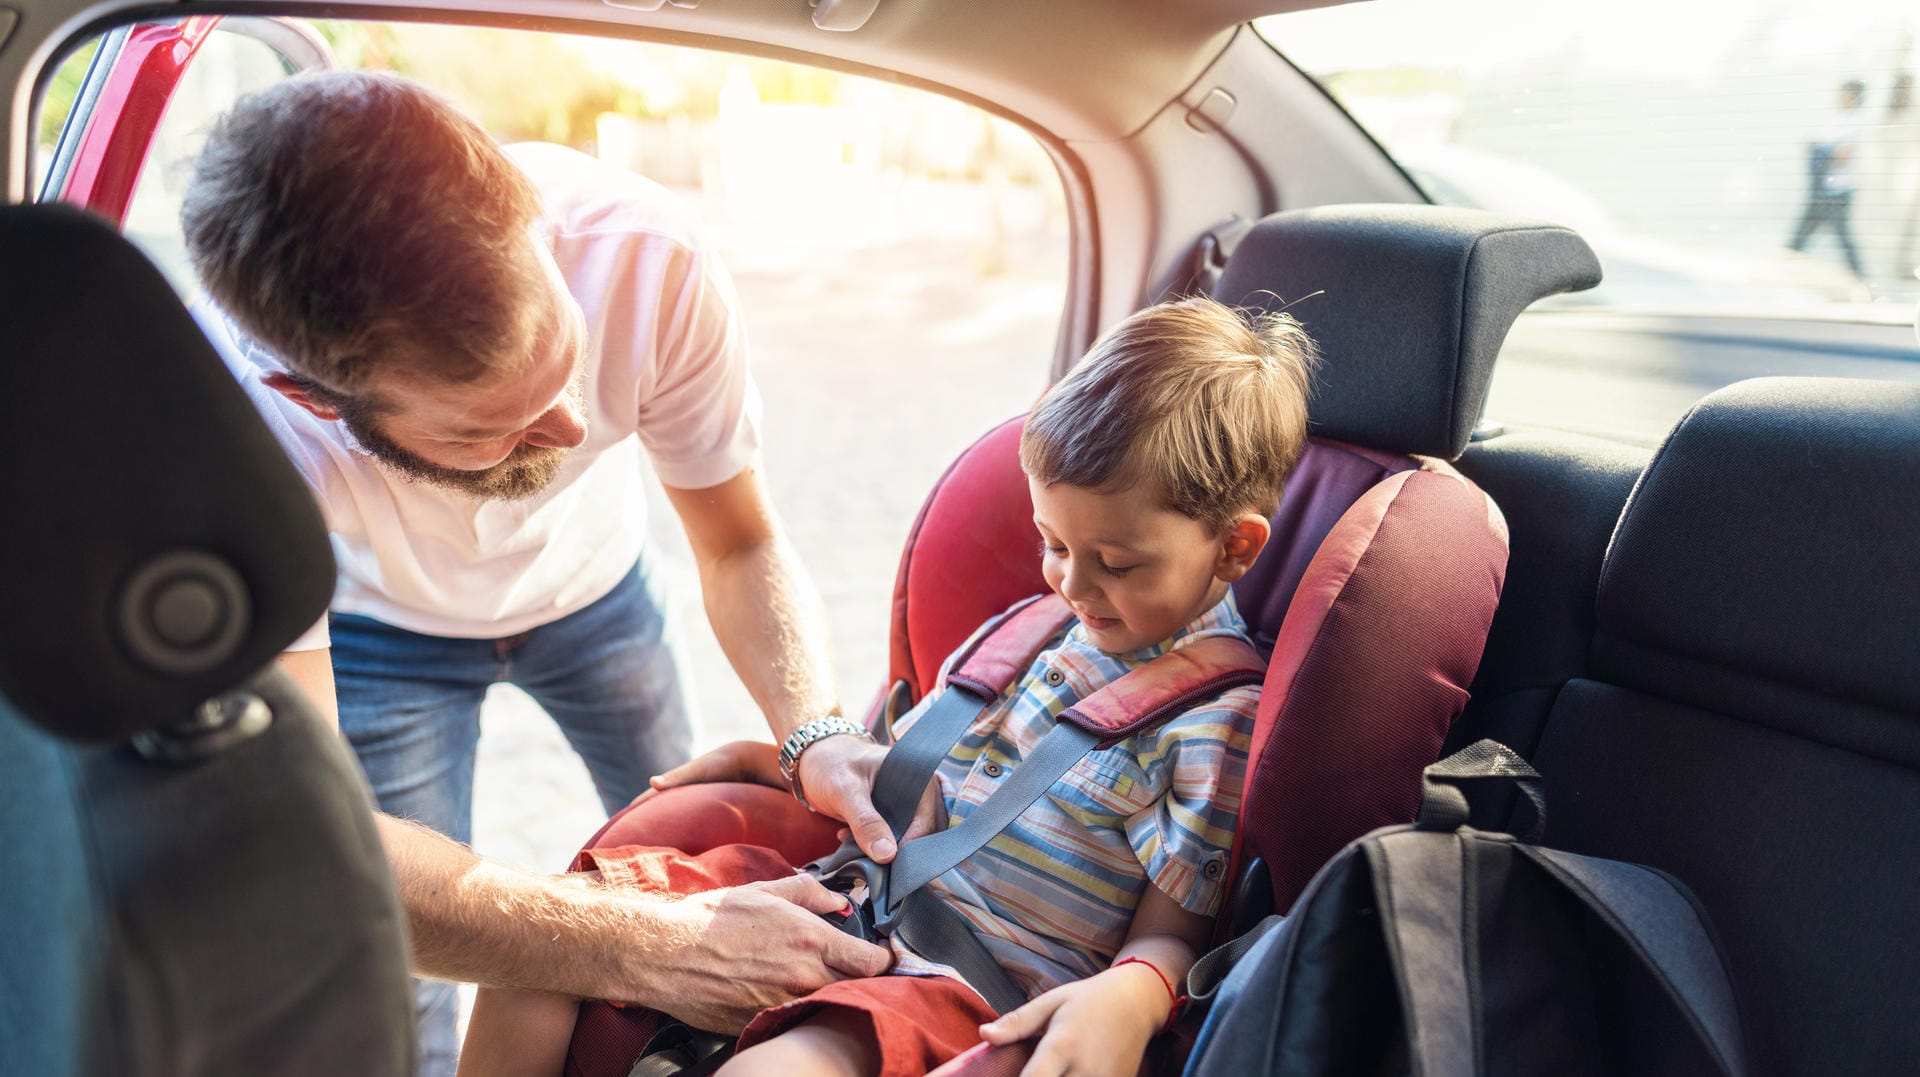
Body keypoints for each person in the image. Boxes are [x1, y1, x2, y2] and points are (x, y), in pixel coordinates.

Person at [179, 71, 893, 1076]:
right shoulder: (230, 443)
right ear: (319, 399)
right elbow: (313, 845)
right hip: (381, 633)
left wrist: (815, 730)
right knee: (394, 957)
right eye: (489, 425)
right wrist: (655, 944)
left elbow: (739, 542)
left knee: (667, 822)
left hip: (600, 598)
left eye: (564, 363)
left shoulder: (647, 257)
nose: (567, 433)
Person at [456, 295, 1320, 1077]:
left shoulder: (1213, 723)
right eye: (1052, 543)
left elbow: (1171, 934)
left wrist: (1133, 994)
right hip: (843, 895)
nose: (1073, 584)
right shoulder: (1029, 630)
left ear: (1236, 548)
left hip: (967, 986)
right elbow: (910, 779)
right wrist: (782, 759)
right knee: (541, 946)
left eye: (1117, 563)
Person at [1788, 78, 1870, 278]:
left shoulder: (1855, 123)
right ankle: (1785, 265)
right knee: (1802, 234)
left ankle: (1862, 279)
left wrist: (1821, 150)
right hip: (1822, 190)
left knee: (1839, 237)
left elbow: (1843, 156)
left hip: (1837, 191)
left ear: (1855, 97)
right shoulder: (1836, 120)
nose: (1841, 97)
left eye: (1846, 94)